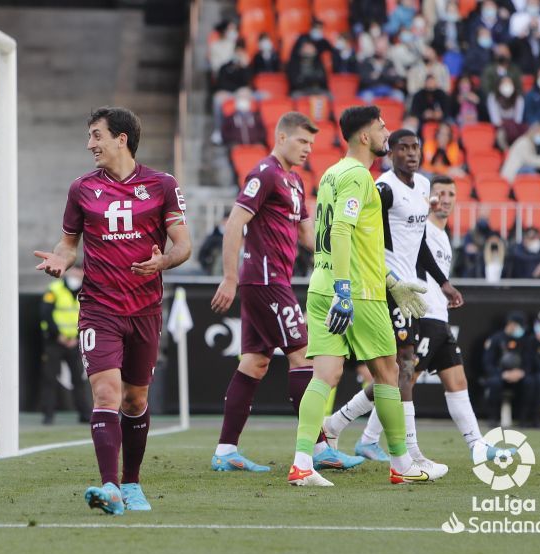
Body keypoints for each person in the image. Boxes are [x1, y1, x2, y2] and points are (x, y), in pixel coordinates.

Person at [34, 107, 191, 515]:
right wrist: (60, 260)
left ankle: (134, 483)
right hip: (99, 308)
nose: (90, 144)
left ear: (121, 138)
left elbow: (183, 245)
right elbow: (68, 244)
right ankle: (112, 488)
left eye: (96, 136)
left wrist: (164, 262)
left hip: (145, 309)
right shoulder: (81, 188)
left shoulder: (162, 184)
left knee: (135, 400)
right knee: (106, 392)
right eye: (90, 136)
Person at [209, 112, 363, 475]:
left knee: (255, 362)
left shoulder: (295, 181)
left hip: (275, 279)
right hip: (264, 280)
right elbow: (235, 222)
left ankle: (226, 450)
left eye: (312, 143)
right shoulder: (265, 173)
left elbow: (309, 238)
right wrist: (229, 277)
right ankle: (320, 448)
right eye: (301, 141)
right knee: (304, 357)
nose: (308, 149)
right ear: (281, 137)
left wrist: (348, 260)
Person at [287, 106, 433, 487]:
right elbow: (340, 232)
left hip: (322, 286)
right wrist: (346, 292)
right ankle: (401, 462)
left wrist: (391, 281)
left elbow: (357, 243)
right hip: (355, 293)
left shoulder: (332, 173)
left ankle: (302, 463)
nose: (387, 131)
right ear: (364, 136)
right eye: (381, 126)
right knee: (388, 371)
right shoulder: (357, 176)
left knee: (327, 374)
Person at [321, 130, 461, 474]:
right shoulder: (382, 189)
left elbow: (419, 241)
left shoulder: (424, 187)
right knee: (404, 367)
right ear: (391, 153)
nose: (411, 153)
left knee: (394, 370)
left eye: (416, 147)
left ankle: (336, 425)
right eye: (403, 148)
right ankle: (410, 454)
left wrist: (442, 282)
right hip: (384, 287)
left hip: (410, 289)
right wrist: (383, 279)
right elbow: (362, 235)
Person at [410, 176, 515, 457]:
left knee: (457, 382)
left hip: (439, 317)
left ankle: (477, 445)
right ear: (429, 198)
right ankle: (349, 428)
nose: (445, 199)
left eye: (451, 194)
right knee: (401, 381)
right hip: (422, 314)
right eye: (440, 193)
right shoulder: (420, 227)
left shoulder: (443, 235)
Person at [39, 266, 90, 425]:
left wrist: (76, 336)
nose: (78, 274)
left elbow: (88, 315)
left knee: (78, 379)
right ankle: (48, 414)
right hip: (55, 341)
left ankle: (84, 414)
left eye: (81, 271)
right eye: (76, 270)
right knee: (50, 378)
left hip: (75, 341)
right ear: (69, 271)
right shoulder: (54, 289)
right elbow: (45, 314)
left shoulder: (86, 291)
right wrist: (58, 335)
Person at [482, 312, 540, 427]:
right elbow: (488, 363)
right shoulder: (496, 339)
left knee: (531, 382)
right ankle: (493, 418)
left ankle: (524, 419)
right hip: (501, 375)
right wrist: (503, 374)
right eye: (519, 326)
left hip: (520, 375)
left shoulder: (525, 340)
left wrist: (521, 372)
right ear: (511, 324)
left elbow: (529, 361)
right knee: (494, 382)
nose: (521, 330)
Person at [488, 75, 526, 151]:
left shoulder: (519, 98)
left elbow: (518, 119)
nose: (507, 86)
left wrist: (510, 126)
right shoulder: (493, 97)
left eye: (509, 83)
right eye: (504, 83)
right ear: (499, 85)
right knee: (500, 134)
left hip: (515, 127)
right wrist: (505, 125)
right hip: (500, 127)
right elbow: (496, 120)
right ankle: (507, 152)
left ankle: (517, 151)